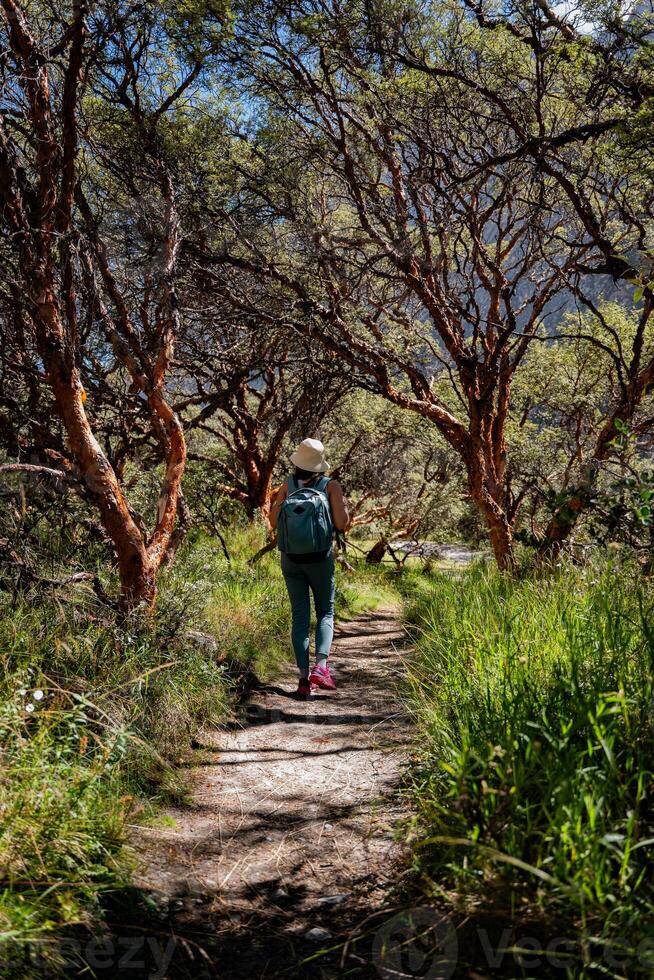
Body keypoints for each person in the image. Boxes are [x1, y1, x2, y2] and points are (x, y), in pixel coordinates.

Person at [270, 438, 350, 699]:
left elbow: (272, 522)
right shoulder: (331, 486)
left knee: (300, 616)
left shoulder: (287, 486)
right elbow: (341, 524)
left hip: (290, 558)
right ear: (320, 463)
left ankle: (304, 679)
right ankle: (322, 668)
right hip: (319, 558)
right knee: (325, 611)